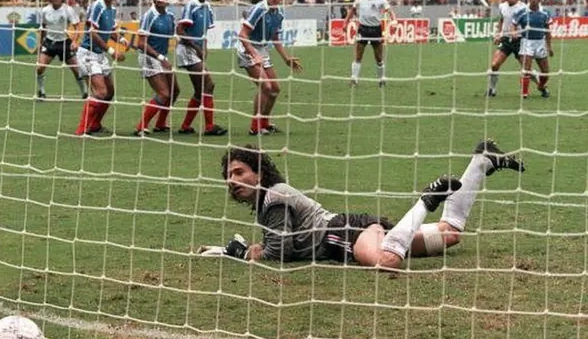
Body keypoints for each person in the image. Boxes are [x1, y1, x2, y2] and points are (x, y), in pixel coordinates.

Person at [200, 139, 525, 269]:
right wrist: (227, 249)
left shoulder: (274, 196)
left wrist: (240, 254)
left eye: (239, 171)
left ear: (258, 173)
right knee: (450, 234)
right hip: (350, 226)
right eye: (229, 174)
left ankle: (427, 200)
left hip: (340, 233)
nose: (233, 179)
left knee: (385, 262)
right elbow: (278, 243)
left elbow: (278, 251)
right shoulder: (269, 200)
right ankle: (481, 162)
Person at [236, 0, 302, 136]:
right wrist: (254, 54)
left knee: (275, 89)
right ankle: (254, 127)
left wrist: (286, 59)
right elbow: (242, 35)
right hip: (247, 48)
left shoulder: (279, 13)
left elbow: (274, 37)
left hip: (262, 50)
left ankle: (264, 122)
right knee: (266, 87)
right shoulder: (259, 10)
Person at [75, 0, 128, 136]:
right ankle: (81, 129)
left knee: (110, 92)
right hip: (88, 54)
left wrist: (122, 40)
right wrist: (112, 51)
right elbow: (92, 33)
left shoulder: (111, 8)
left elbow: (110, 31)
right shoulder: (97, 5)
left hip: (99, 55)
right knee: (100, 92)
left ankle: (95, 124)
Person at [175, 0, 227, 136]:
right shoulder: (191, 5)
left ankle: (185, 126)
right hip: (186, 50)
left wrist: (205, 48)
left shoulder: (208, 7)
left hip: (196, 51)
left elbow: (204, 32)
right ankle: (210, 127)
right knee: (209, 85)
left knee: (200, 91)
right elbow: (180, 30)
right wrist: (197, 47)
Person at [133, 0, 181, 136]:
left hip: (161, 57)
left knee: (175, 90)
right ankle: (141, 126)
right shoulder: (149, 16)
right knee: (164, 94)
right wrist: (160, 57)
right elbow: (140, 43)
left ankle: (160, 123)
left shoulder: (170, 16)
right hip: (148, 57)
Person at [486, 0, 538, 97]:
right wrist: (498, 34)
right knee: (494, 65)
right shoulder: (502, 6)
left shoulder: (524, 8)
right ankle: (491, 89)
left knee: (527, 69)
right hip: (506, 40)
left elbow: (529, 25)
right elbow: (501, 20)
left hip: (520, 41)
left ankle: (542, 85)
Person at [36, 0, 87, 101]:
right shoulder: (45, 11)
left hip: (65, 43)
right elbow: (43, 27)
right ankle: (41, 92)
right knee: (39, 68)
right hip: (50, 43)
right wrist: (40, 43)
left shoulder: (68, 10)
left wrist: (74, 41)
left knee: (76, 70)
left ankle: (84, 92)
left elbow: (77, 26)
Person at [343, 0, 396, 87]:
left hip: (376, 30)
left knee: (379, 58)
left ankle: (381, 80)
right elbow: (352, 11)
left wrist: (394, 21)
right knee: (358, 56)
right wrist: (345, 23)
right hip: (363, 29)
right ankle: (354, 80)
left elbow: (390, 11)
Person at [512, 0, 552, 100]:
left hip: (540, 42)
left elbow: (548, 31)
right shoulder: (522, 12)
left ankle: (541, 86)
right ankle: (524, 93)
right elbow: (514, 23)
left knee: (546, 72)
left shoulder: (545, 13)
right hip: (527, 42)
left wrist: (549, 47)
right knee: (526, 69)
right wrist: (514, 32)